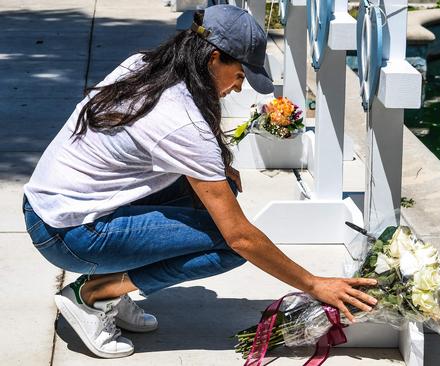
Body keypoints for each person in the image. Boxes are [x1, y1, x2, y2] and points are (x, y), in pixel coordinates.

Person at [22, 5, 377, 359]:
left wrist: (219, 166)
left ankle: (111, 284)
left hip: (50, 207)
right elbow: (240, 237)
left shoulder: (145, 65)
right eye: (240, 75)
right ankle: (96, 294)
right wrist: (315, 284)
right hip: (69, 235)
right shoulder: (182, 123)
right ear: (214, 58)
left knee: (220, 192)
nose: (238, 89)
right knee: (228, 245)